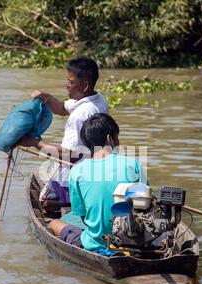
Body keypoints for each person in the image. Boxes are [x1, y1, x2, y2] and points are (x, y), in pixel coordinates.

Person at [18, 56, 108, 209]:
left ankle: (73, 202)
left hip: (79, 169)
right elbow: (61, 108)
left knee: (44, 201)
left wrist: (33, 142)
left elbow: (67, 154)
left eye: (71, 82)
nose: (66, 85)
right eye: (67, 80)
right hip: (95, 164)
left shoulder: (80, 115)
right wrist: (45, 97)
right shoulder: (97, 99)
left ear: (85, 85)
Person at [49, 113, 147, 252]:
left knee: (54, 223)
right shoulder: (133, 164)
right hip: (136, 241)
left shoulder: (77, 171)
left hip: (97, 243)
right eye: (117, 137)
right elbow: (147, 203)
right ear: (109, 138)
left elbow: (82, 216)